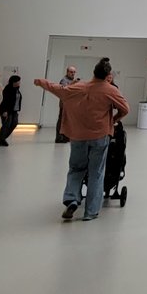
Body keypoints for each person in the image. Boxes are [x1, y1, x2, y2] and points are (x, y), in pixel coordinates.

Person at [35, 58, 129, 222]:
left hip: (78, 136)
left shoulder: (78, 86)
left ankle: (71, 200)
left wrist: (42, 82)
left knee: (76, 169)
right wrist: (113, 120)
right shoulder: (110, 90)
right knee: (96, 173)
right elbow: (125, 109)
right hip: (100, 136)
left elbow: (58, 89)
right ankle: (91, 211)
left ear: (93, 72)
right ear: (108, 75)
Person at [0, 74, 22, 146]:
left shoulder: (17, 89)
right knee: (6, 124)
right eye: (18, 82)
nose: (19, 83)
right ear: (14, 82)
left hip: (15, 110)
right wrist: (5, 111)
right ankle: (2, 139)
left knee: (14, 123)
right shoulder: (7, 89)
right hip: (7, 110)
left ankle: (2, 138)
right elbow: (5, 101)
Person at [54, 65, 77, 143]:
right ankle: (59, 138)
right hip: (64, 105)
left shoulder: (73, 81)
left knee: (68, 121)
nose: (73, 74)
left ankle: (66, 137)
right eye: (71, 72)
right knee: (61, 121)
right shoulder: (64, 80)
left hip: (71, 105)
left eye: (74, 72)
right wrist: (73, 84)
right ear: (67, 72)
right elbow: (64, 90)